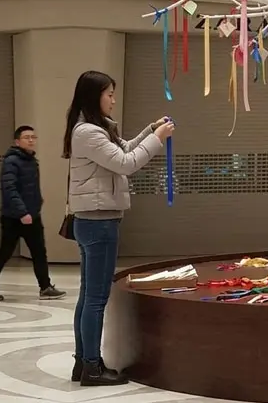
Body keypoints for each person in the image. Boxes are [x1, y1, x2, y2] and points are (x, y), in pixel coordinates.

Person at [63, 70, 174, 387]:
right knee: (96, 299)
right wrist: (158, 138)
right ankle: (92, 367)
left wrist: (149, 130)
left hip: (94, 221)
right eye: (109, 94)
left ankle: (83, 363)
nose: (113, 100)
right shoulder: (89, 132)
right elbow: (127, 163)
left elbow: (124, 149)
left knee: (88, 296)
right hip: (98, 223)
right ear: (94, 96)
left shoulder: (94, 128)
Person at [0, 126, 66, 302]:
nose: (31, 140)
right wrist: (22, 212)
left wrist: (37, 202)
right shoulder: (11, 161)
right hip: (13, 217)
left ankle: (45, 287)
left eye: (33, 137)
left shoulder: (32, 161)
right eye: (26, 137)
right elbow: (9, 189)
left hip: (32, 215)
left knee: (39, 252)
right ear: (17, 141)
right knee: (5, 252)